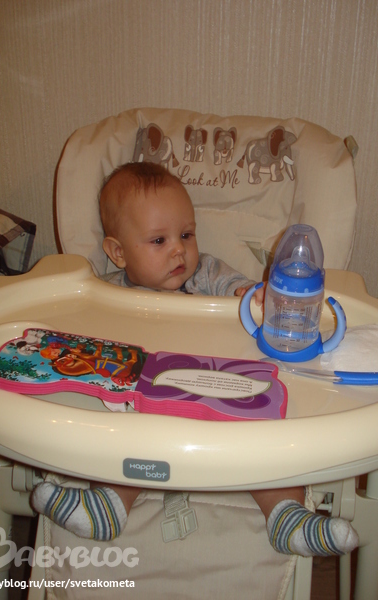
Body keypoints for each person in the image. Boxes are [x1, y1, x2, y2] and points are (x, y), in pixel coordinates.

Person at [31, 162, 358, 558]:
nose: (179, 250)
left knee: (263, 437)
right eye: (159, 240)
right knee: (124, 435)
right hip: (151, 408)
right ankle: (109, 504)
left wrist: (250, 294)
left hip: (214, 398)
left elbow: (238, 290)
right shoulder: (106, 294)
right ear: (118, 252)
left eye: (186, 235)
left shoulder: (204, 273)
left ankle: (287, 516)